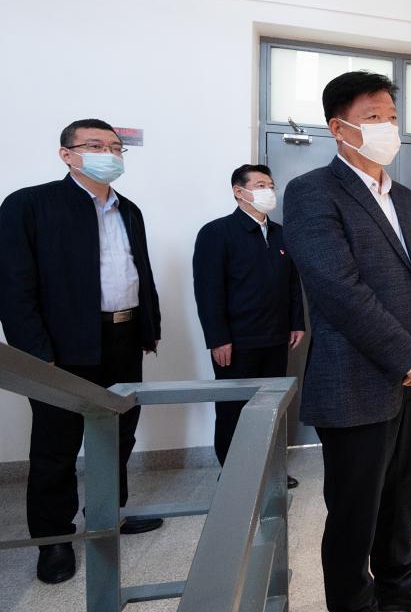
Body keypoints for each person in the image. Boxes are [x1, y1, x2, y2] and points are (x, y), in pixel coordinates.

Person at [284, 71, 411, 612]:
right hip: (355, 378)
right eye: (373, 117)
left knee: (405, 492)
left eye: (392, 118)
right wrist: (410, 355)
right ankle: (354, 602)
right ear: (339, 128)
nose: (388, 128)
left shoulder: (408, 200)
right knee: (355, 508)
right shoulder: (312, 192)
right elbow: (338, 290)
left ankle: (398, 581)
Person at [0, 119, 163, 585]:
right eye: (94, 145)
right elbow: (13, 285)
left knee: (119, 434)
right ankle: (53, 540)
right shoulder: (29, 205)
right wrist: (35, 353)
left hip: (123, 340)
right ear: (67, 154)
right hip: (61, 348)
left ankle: (108, 516)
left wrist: (148, 328)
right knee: (56, 445)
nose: (108, 154)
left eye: (115, 147)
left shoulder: (129, 210)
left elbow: (138, 272)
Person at [192, 164, 305, 488]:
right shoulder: (217, 233)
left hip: (276, 339)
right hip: (236, 342)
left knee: (271, 408)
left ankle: (270, 470)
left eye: (270, 184)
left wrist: (296, 322)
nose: (268, 190)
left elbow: (293, 284)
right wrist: (218, 338)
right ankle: (233, 475)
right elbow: (208, 291)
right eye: (259, 185)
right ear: (238, 191)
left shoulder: (281, 234)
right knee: (233, 410)